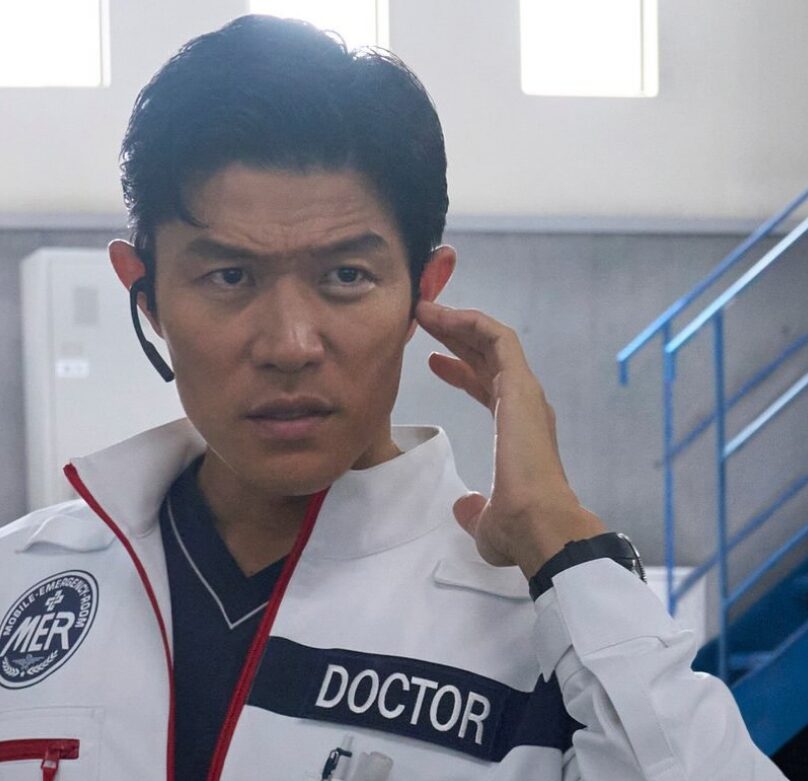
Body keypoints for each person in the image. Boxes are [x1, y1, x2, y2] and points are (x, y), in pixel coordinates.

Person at [0, 14, 786, 781]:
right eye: (229, 275)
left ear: (424, 292)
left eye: (346, 275)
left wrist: (561, 541)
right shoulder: (20, 585)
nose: (290, 344)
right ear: (145, 295)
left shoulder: (549, 630)